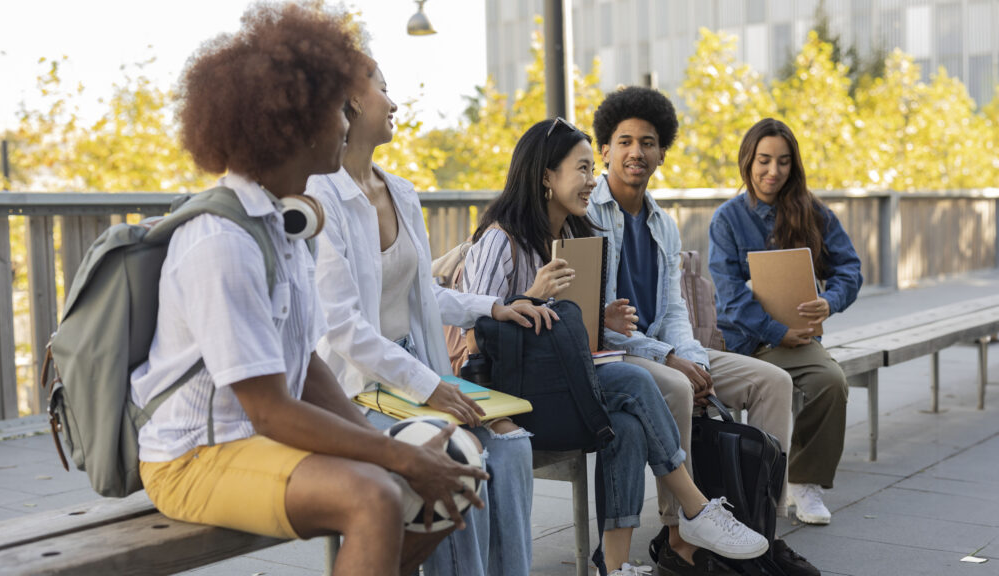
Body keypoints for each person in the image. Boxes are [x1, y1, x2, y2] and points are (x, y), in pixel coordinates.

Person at [130, 6, 486, 575]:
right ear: (290, 124)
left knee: (450, 469)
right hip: (194, 456)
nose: (345, 121)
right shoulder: (224, 240)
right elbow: (270, 409)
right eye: (334, 109)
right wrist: (392, 453)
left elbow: (308, 367)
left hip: (254, 439)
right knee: (375, 495)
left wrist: (376, 438)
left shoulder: (285, 221)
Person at [463, 118, 770, 576]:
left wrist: (596, 319)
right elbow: (473, 330)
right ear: (546, 175)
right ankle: (695, 508)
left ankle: (615, 566)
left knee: (626, 426)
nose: (592, 181)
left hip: (566, 382)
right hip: (514, 396)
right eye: (582, 169)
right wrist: (530, 295)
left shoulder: (576, 236)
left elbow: (569, 331)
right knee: (632, 377)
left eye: (591, 169)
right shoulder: (500, 239)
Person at [306, 64, 556, 576]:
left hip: (418, 370)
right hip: (360, 388)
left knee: (509, 445)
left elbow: (425, 295)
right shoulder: (319, 197)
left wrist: (494, 306)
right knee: (458, 460)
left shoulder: (401, 191)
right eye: (384, 87)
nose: (393, 103)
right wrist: (430, 387)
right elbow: (344, 329)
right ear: (351, 100)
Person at [588, 87, 818, 576]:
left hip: (667, 345)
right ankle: (679, 539)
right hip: (622, 354)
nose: (636, 152)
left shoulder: (662, 223)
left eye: (647, 142)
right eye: (624, 141)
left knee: (771, 382)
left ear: (662, 151)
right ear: (604, 149)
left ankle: (763, 531)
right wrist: (674, 359)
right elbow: (605, 326)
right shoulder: (588, 216)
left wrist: (695, 357)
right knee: (673, 385)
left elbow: (673, 308)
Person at [708, 118, 862, 527]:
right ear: (748, 161)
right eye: (763, 161)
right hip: (742, 342)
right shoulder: (726, 219)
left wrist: (829, 302)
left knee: (831, 382)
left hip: (798, 340)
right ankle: (748, 492)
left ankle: (805, 480)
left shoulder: (813, 213)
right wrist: (778, 332)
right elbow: (731, 296)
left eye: (782, 162)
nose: (772, 171)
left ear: (793, 166)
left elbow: (850, 268)